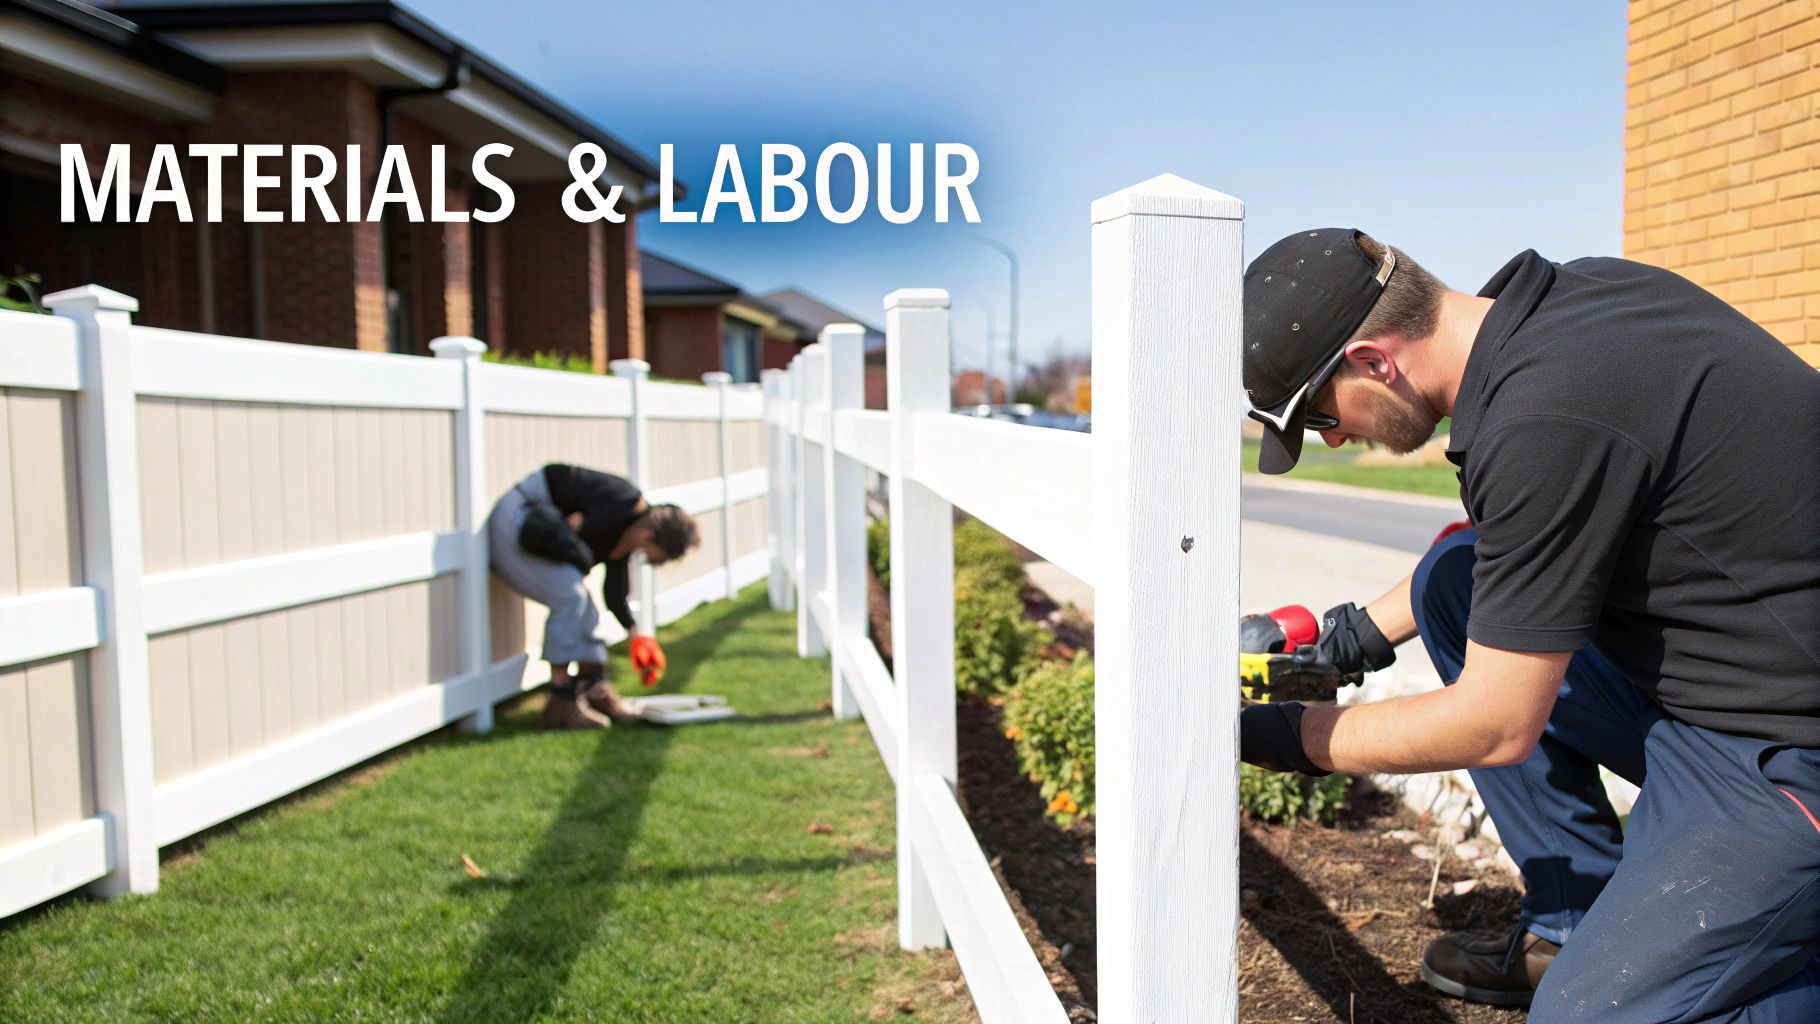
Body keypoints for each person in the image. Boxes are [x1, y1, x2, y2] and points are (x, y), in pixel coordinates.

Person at [1238, 228, 1820, 1021]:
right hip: (1726, 692)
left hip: (1784, 750)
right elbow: (1505, 552)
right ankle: (1570, 928)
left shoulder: (1544, 415)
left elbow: (1494, 725)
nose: (1333, 438)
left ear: (1374, 361)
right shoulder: (1572, 309)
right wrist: (1350, 639)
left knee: (1589, 1016)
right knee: (1456, 583)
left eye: (1319, 416)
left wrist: (1265, 737)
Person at [488, 463, 700, 730]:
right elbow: (573, 526)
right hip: (517, 518)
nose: (652, 562)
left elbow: (614, 592)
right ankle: (560, 701)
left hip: (538, 525)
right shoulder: (620, 506)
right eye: (657, 558)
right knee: (571, 597)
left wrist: (638, 636)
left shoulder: (629, 528)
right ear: (648, 537)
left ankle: (595, 690)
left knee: (586, 605)